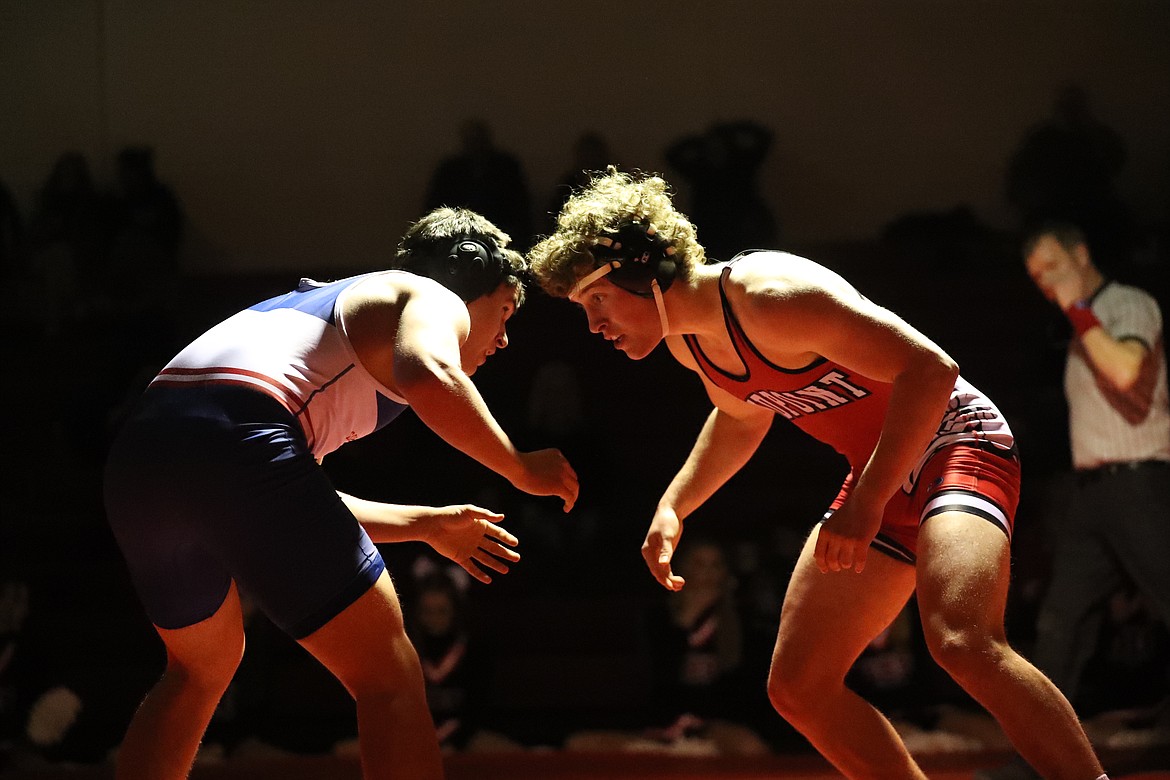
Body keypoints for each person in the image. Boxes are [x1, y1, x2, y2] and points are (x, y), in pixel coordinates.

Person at [528, 168, 1109, 779]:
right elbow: (741, 416)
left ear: (643, 271)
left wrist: (866, 502)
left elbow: (930, 372)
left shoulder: (771, 297)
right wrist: (675, 504)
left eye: (596, 301)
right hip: (880, 476)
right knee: (799, 687)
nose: (594, 326)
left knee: (962, 641)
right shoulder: (689, 342)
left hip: (954, 443)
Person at [103, 206, 579, 780]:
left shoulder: (319, 322)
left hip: (140, 461)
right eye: (503, 312)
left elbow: (285, 501)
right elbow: (428, 375)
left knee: (198, 670)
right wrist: (519, 467)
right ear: (468, 277)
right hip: (239, 439)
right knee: (389, 674)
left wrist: (425, 524)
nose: (502, 339)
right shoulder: (430, 296)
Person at [988, 221, 1170, 778]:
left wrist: (1079, 309)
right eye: (1037, 277)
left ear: (1082, 252)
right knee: (1060, 624)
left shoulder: (1127, 305)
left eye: (1054, 268)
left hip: (1139, 483)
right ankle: (1039, 764)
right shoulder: (1080, 327)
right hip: (1095, 494)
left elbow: (1125, 370)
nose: (1046, 283)